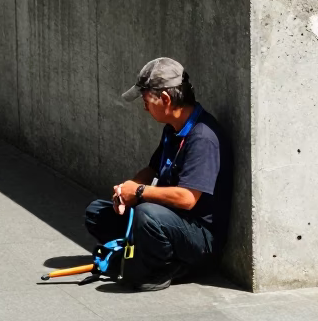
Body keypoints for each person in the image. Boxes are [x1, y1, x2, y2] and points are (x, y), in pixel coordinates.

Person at [85, 58, 231, 292]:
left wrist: (141, 193)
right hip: (168, 219)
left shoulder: (202, 138)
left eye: (146, 101)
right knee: (96, 213)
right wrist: (128, 189)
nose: (144, 108)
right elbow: (152, 169)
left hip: (199, 237)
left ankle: (167, 267)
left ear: (165, 99)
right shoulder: (172, 128)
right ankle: (142, 252)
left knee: (147, 215)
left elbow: (187, 198)